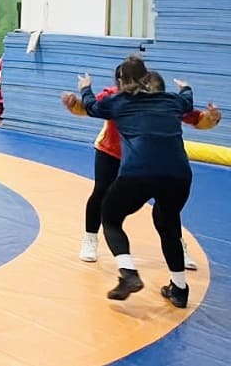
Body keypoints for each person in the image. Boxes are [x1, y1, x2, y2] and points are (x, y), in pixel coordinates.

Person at [62, 62, 220, 267]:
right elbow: (89, 108)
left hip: (146, 159)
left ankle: (177, 246)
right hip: (112, 152)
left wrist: (211, 119)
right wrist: (74, 103)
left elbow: (196, 118)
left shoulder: (163, 99)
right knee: (101, 192)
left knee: (167, 207)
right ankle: (90, 237)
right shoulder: (114, 96)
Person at [78, 57, 195, 308]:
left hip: (139, 173)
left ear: (120, 81)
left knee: (110, 217)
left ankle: (128, 272)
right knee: (169, 224)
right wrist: (185, 86)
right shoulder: (172, 100)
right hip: (179, 175)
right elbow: (188, 101)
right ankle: (180, 289)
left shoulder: (118, 102)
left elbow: (90, 106)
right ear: (148, 78)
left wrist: (85, 87)